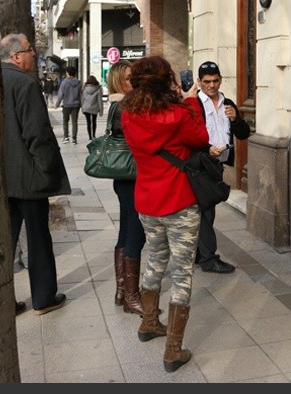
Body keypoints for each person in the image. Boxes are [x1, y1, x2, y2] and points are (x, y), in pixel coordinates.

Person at [120, 55, 209, 373]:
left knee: (155, 260)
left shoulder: (128, 115)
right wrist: (192, 103)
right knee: (182, 272)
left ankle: (148, 323)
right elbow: (201, 138)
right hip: (180, 202)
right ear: (167, 81)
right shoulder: (180, 112)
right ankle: (173, 349)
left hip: (146, 200)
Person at [0, 33, 70, 316]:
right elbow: (37, 133)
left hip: (1, 176)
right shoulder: (25, 83)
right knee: (38, 236)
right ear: (17, 56)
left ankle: (3, 299)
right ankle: (43, 297)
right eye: (30, 51)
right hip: (29, 175)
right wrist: (47, 168)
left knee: (5, 239)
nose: (34, 55)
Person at [192, 61, 250, 273]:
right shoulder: (194, 104)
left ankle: (199, 254)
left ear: (220, 80)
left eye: (215, 81)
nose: (212, 85)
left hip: (219, 165)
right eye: (207, 82)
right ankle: (208, 258)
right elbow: (188, 136)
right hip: (200, 163)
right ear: (199, 82)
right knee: (206, 210)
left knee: (205, 210)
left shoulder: (228, 103)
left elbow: (244, 133)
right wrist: (207, 149)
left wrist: (235, 119)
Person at [107, 61, 147, 314]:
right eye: (131, 78)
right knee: (136, 233)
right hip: (132, 177)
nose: (136, 82)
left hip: (125, 178)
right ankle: (132, 297)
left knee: (125, 231)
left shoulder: (117, 105)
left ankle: (122, 290)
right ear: (119, 81)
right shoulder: (124, 107)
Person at [55, 66, 82, 144]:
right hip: (76, 105)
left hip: (66, 105)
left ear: (68, 73)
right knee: (74, 122)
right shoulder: (79, 83)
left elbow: (60, 94)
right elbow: (81, 95)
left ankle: (66, 137)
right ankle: (74, 138)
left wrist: (57, 104)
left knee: (65, 121)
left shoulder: (64, 82)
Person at [81, 74, 103, 140]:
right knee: (94, 122)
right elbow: (99, 100)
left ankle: (90, 137)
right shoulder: (98, 88)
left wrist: (82, 107)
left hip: (86, 107)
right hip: (94, 107)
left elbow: (82, 98)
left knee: (88, 123)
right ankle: (93, 135)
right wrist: (101, 110)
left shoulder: (84, 88)